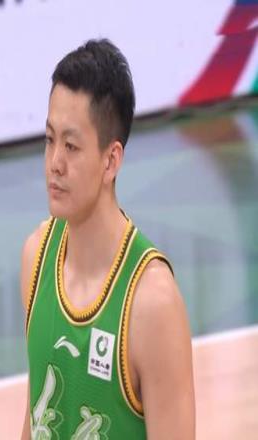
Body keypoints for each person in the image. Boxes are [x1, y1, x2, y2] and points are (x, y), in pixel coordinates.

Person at [20, 39, 195, 440]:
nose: (55, 163)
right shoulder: (36, 258)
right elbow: (36, 415)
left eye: (71, 146)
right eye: (49, 140)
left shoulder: (152, 304)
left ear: (111, 160)